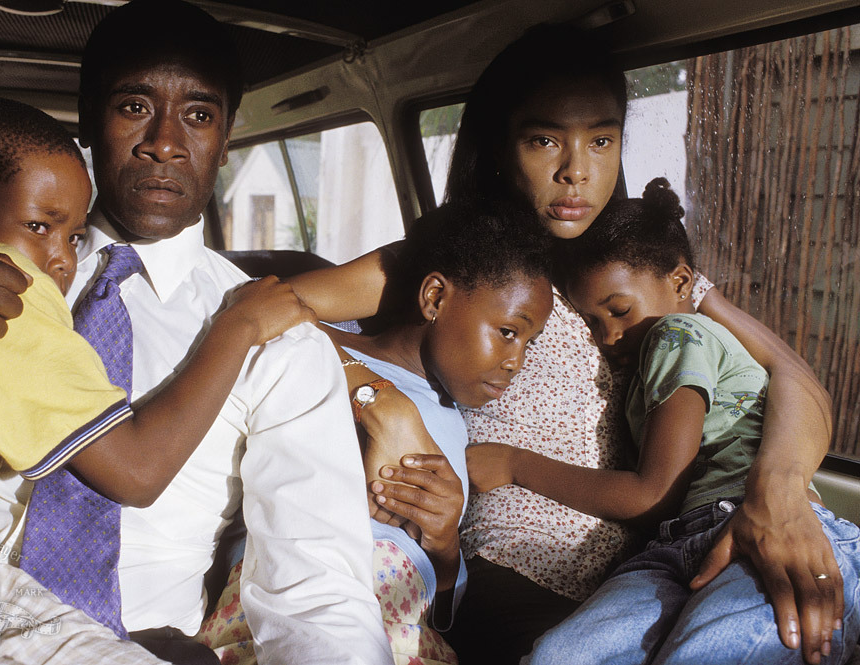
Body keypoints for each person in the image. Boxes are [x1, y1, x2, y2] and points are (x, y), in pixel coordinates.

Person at [0, 2, 393, 665]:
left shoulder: (279, 343)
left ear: (226, 139)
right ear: (88, 118)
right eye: (134, 107)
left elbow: (317, 590)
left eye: (198, 116)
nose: (164, 142)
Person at [286, 23, 838, 663]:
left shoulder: (636, 267)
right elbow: (269, 311)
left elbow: (795, 380)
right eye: (544, 140)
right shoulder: (461, 260)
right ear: (501, 147)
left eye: (601, 140)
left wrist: (778, 492)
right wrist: (380, 399)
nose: (577, 171)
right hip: (510, 566)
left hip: (640, 573)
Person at [497, 178, 860, 665]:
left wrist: (512, 464)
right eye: (592, 323)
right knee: (556, 656)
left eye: (619, 310)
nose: (608, 336)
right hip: (673, 548)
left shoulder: (676, 332)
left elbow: (653, 493)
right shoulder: (644, 371)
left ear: (683, 283)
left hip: (761, 526)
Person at [196, 203, 554, 664]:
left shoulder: (455, 418)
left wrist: (445, 545)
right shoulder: (315, 342)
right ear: (435, 298)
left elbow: (440, 608)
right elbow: (253, 314)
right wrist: (378, 402)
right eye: (507, 332)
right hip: (285, 594)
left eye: (529, 342)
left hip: (404, 625)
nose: (516, 362)